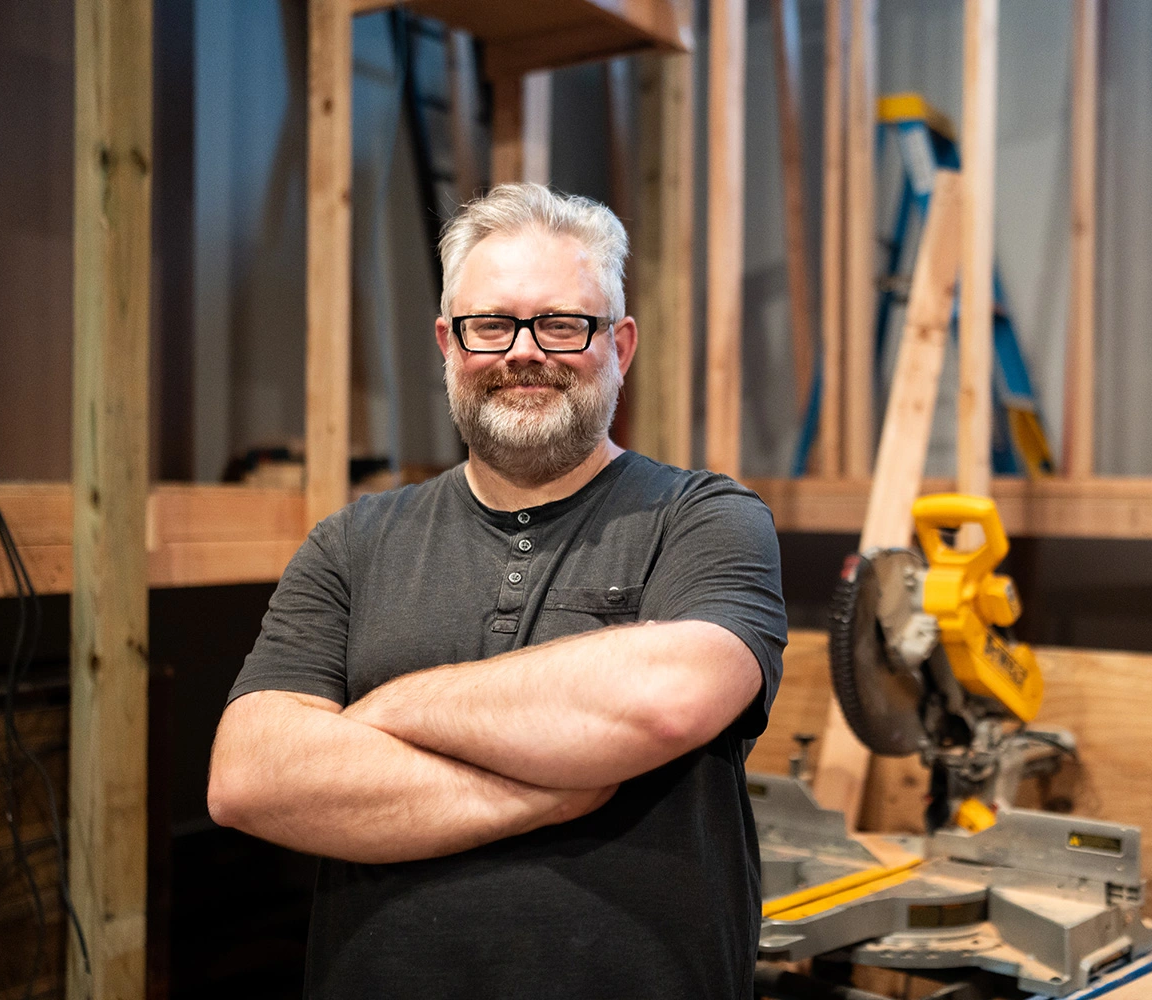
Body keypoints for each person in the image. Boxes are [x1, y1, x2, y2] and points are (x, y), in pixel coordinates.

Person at [207, 183, 788, 1000]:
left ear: (619, 346)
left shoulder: (705, 519)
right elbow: (249, 778)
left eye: (562, 323)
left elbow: (664, 701)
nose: (524, 350)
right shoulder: (352, 544)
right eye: (492, 325)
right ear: (448, 343)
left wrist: (385, 713)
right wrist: (556, 787)